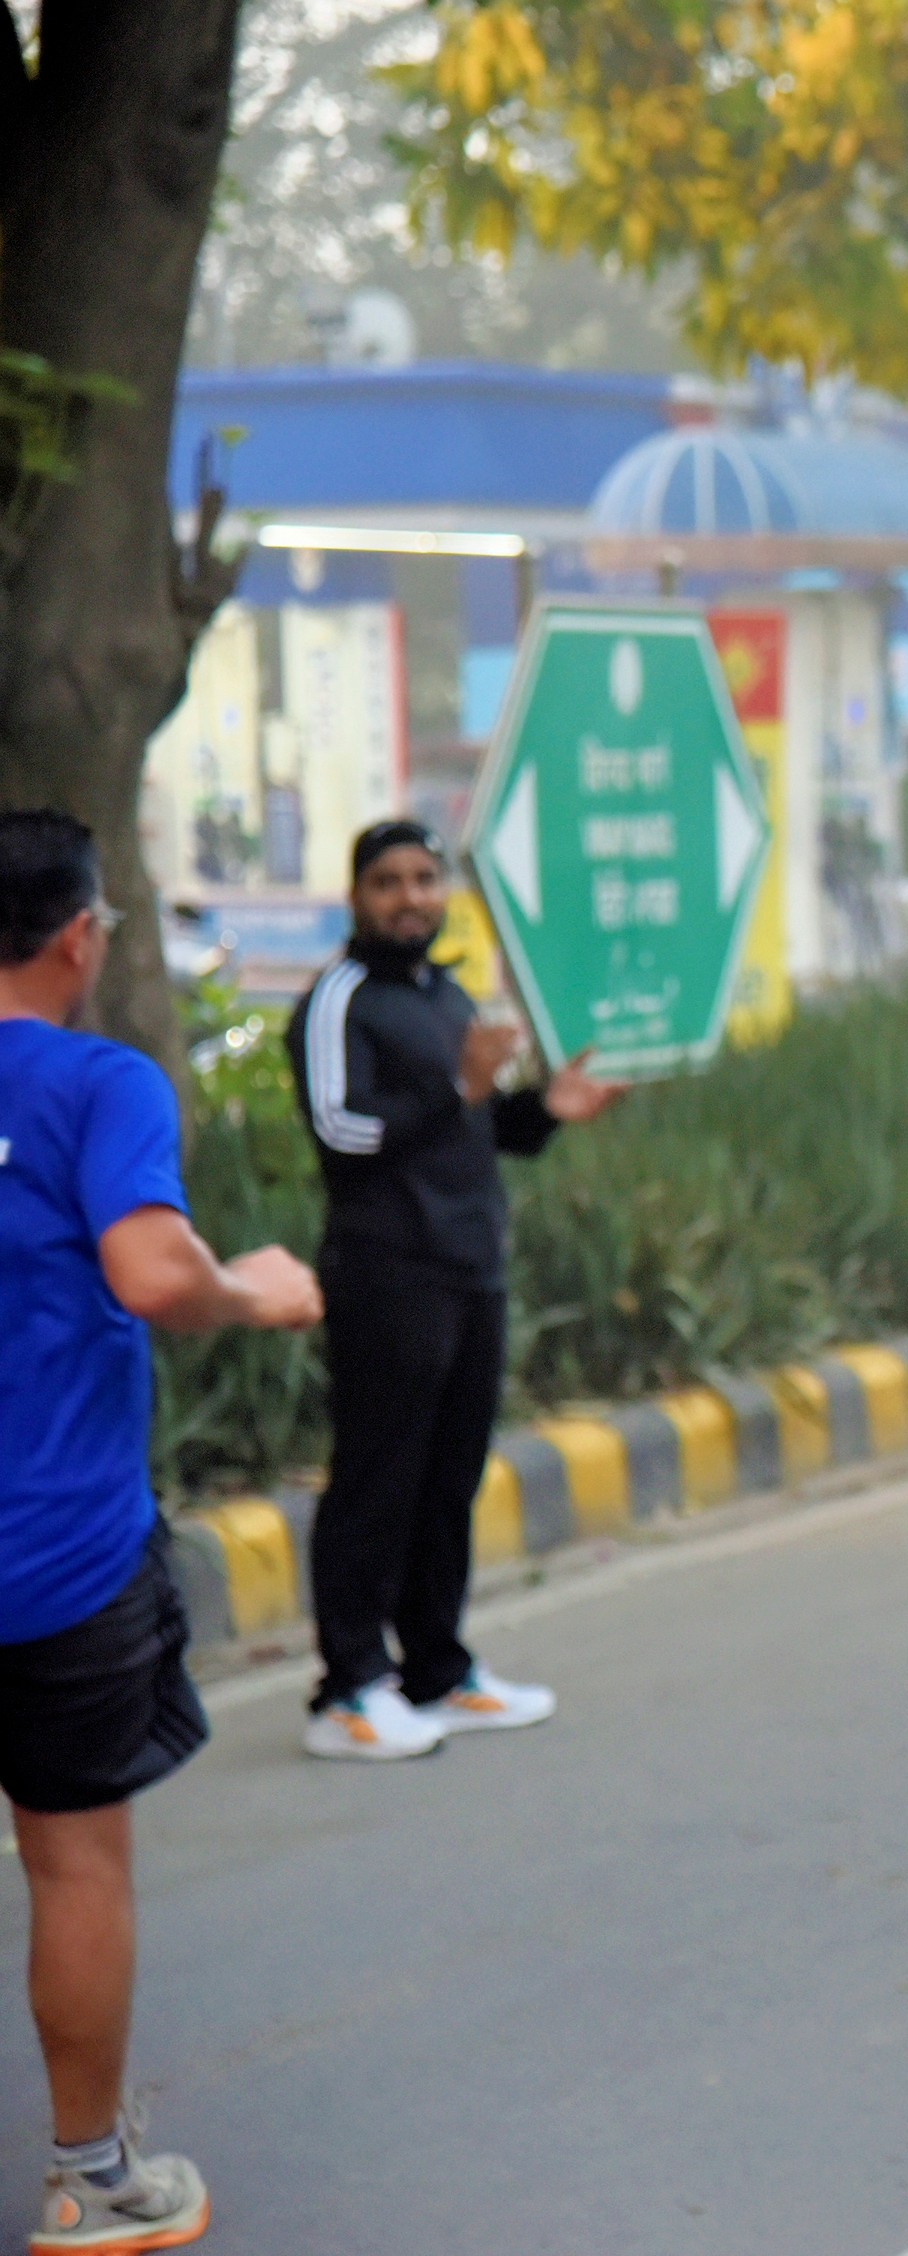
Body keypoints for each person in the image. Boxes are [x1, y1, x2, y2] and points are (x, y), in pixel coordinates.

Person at [1, 809, 323, 2253]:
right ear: (80, 936)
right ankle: (90, 2179)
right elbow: (146, 1269)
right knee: (74, 1865)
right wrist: (257, 1290)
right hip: (56, 1562)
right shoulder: (98, 1083)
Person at [284, 821, 624, 1762]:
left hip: (471, 1268)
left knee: (448, 1480)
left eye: (426, 879)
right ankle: (349, 1688)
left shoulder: (447, 996)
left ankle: (436, 1667)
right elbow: (342, 1131)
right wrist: (459, 1088)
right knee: (377, 1479)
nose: (411, 898)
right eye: (389, 882)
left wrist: (542, 1110)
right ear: (357, 896)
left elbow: (473, 1129)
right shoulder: (337, 1001)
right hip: (387, 1273)